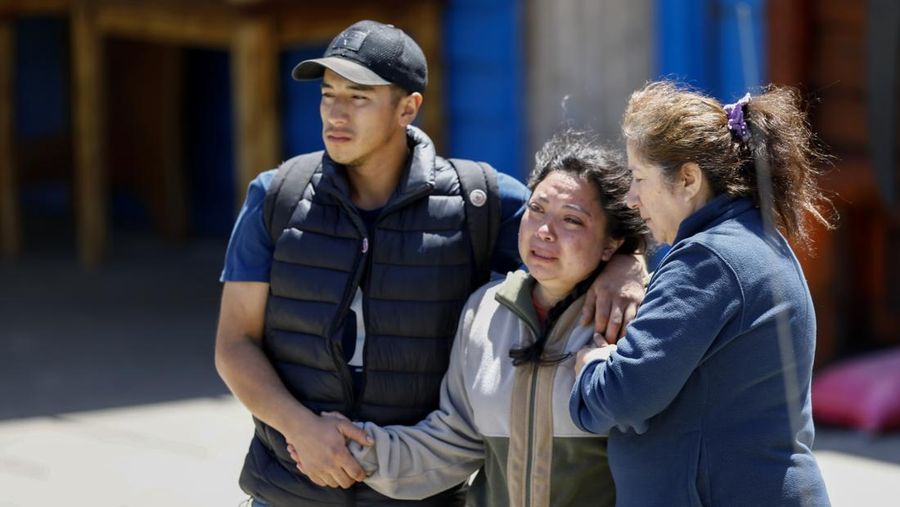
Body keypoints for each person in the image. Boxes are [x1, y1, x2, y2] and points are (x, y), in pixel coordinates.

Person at [214, 20, 646, 506]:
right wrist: (302, 429)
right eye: (328, 93)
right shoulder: (277, 196)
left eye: (358, 97)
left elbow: (572, 233)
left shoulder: (478, 202)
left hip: (422, 495)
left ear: (408, 108)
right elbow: (234, 345)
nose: (336, 113)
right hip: (289, 489)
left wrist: (628, 263)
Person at [309, 131, 647, 507]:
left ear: (611, 244)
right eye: (536, 209)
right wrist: (354, 450)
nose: (545, 231)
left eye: (572, 220)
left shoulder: (632, 319)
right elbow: (455, 439)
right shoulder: (485, 309)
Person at [569, 81, 833, 506]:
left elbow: (622, 397)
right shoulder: (749, 242)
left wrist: (592, 367)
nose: (631, 199)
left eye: (638, 178)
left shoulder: (708, 260)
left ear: (688, 179)